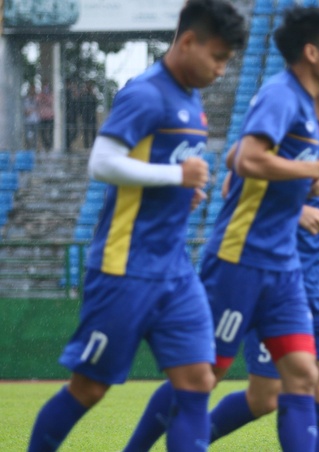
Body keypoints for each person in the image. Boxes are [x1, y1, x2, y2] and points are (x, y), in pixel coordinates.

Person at [124, 6, 319, 452]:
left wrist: (306, 178)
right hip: (239, 259)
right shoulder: (281, 95)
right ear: (311, 53)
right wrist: (312, 168)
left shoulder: (306, 107)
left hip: (283, 267)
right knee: (204, 374)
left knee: (303, 374)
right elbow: (244, 159)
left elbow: (240, 161)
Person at [28, 2, 246, 451]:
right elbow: (103, 162)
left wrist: (183, 194)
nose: (222, 70)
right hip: (123, 268)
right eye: (218, 57)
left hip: (175, 271)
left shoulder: (191, 97)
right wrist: (176, 177)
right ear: (188, 42)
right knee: (89, 388)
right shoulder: (145, 93)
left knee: (197, 381)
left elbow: (157, 168)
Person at [209, 38, 319, 452]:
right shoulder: (287, 121)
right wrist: (295, 213)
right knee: (265, 396)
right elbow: (234, 182)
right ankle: (191, 436)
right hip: (272, 272)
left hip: (317, 280)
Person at [79, 81, 99, 149]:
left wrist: (93, 94)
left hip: (92, 116)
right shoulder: (83, 95)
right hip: (85, 116)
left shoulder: (92, 96)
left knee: (93, 131)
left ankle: (93, 145)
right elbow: (80, 105)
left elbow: (95, 104)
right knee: (86, 132)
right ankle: (86, 146)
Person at [37, 83, 54, 151]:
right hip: (42, 117)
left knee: (50, 133)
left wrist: (46, 97)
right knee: (43, 133)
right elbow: (37, 100)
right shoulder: (40, 95)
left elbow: (51, 102)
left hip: (50, 116)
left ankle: (49, 146)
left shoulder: (51, 95)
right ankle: (45, 145)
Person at [23, 83, 40, 149]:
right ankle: (28, 149)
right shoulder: (26, 99)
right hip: (28, 121)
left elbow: (39, 109)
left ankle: (34, 149)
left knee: (35, 137)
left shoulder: (37, 99)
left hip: (35, 120)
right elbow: (25, 111)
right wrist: (29, 111)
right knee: (28, 137)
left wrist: (32, 110)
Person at [65, 79, 80, 150]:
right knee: (67, 131)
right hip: (67, 116)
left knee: (75, 132)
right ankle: (67, 145)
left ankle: (68, 144)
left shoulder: (72, 93)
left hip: (73, 115)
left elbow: (77, 104)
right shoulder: (66, 93)